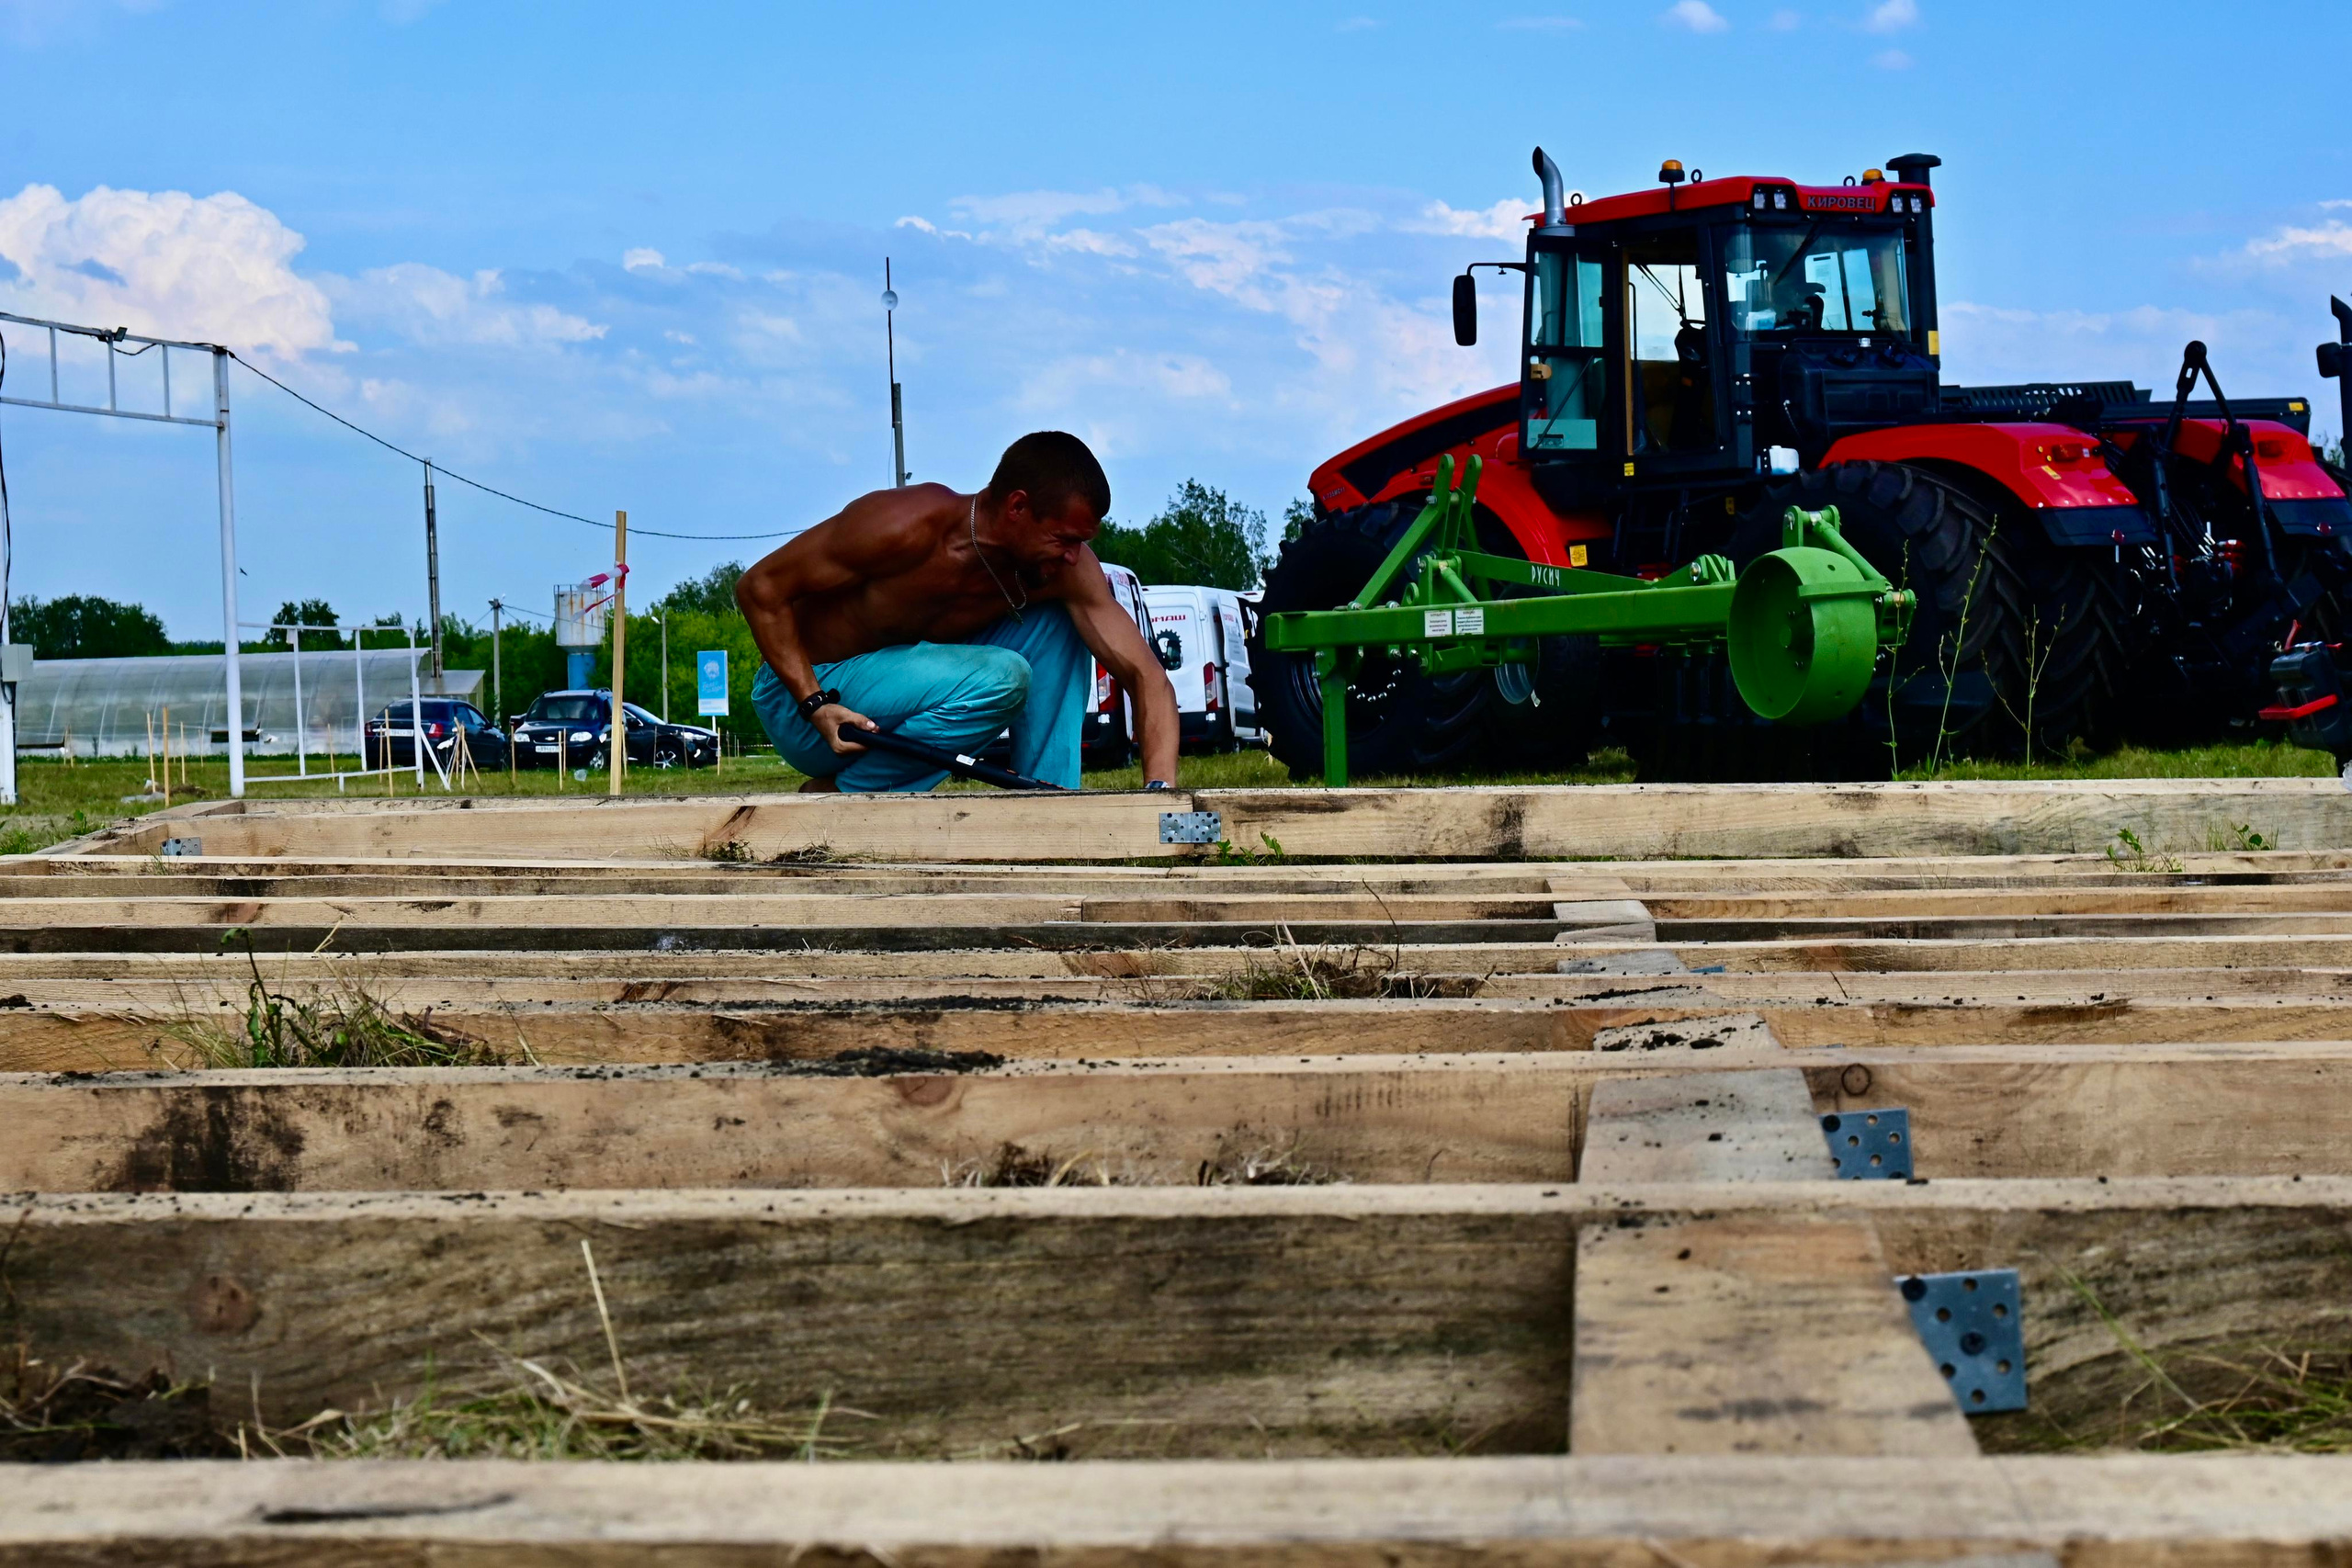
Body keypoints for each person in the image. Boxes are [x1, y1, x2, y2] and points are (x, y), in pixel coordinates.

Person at [736, 430, 1180, 793]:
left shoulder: (1063, 570)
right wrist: (815, 704)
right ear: (1017, 507)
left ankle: (1045, 804)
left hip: (898, 699)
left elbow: (1148, 677)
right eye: (1064, 539)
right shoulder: (901, 527)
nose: (1073, 556)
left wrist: (1161, 795)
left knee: (1059, 623)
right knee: (1003, 675)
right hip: (809, 704)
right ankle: (847, 793)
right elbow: (759, 588)